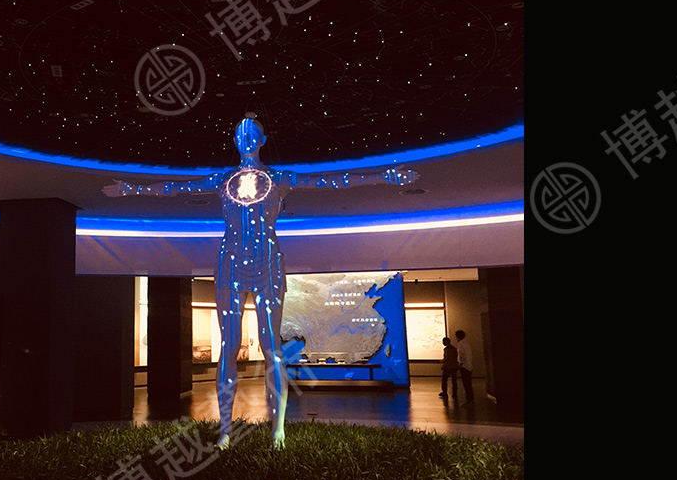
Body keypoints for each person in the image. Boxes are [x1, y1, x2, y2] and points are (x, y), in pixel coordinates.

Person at [103, 113, 417, 449]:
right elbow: (176, 187)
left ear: (263, 140)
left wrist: (383, 176)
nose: (246, 136)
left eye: (252, 132)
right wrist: (131, 189)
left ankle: (278, 430)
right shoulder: (223, 180)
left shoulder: (278, 178)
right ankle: (225, 431)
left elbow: (329, 181)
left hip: (267, 264)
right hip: (230, 264)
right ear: (234, 140)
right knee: (229, 346)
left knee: (272, 349)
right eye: (240, 132)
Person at [453, 329, 475, 404]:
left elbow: (461, 355)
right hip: (468, 365)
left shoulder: (460, 344)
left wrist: (460, 364)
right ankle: (470, 399)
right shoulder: (466, 344)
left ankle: (469, 400)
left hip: (464, 366)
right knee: (468, 384)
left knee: (466, 384)